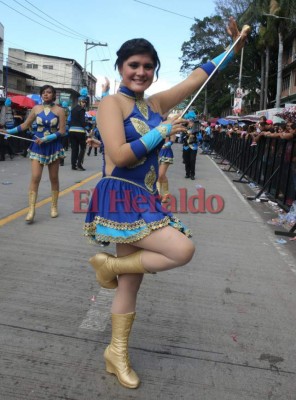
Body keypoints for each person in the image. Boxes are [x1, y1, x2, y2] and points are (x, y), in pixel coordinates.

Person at [83, 17, 248, 389]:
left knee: (130, 283)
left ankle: (116, 352)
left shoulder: (155, 102)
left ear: (155, 72)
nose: (140, 72)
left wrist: (232, 50)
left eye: (147, 66)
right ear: (120, 69)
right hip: (120, 196)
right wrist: (163, 130)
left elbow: (195, 78)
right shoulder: (111, 104)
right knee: (182, 249)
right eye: (133, 65)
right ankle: (107, 265)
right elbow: (120, 155)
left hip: (145, 199)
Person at [0, 85, 66, 222]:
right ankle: (31, 210)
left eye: (49, 92)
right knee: (35, 177)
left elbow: (62, 131)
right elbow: (24, 125)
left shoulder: (60, 110)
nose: (46, 94)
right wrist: (8, 132)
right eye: (44, 92)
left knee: (54, 178)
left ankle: (54, 206)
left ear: (54, 95)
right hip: (38, 147)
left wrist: (47, 138)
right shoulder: (36, 109)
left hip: (53, 147)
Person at [68, 97, 88, 170]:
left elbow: (69, 120)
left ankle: (73, 165)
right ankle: (79, 164)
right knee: (83, 148)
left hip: (71, 131)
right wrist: (88, 125)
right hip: (80, 131)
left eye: (85, 102)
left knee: (74, 149)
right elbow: (82, 122)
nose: (84, 103)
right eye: (83, 102)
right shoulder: (82, 110)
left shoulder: (73, 109)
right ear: (79, 102)